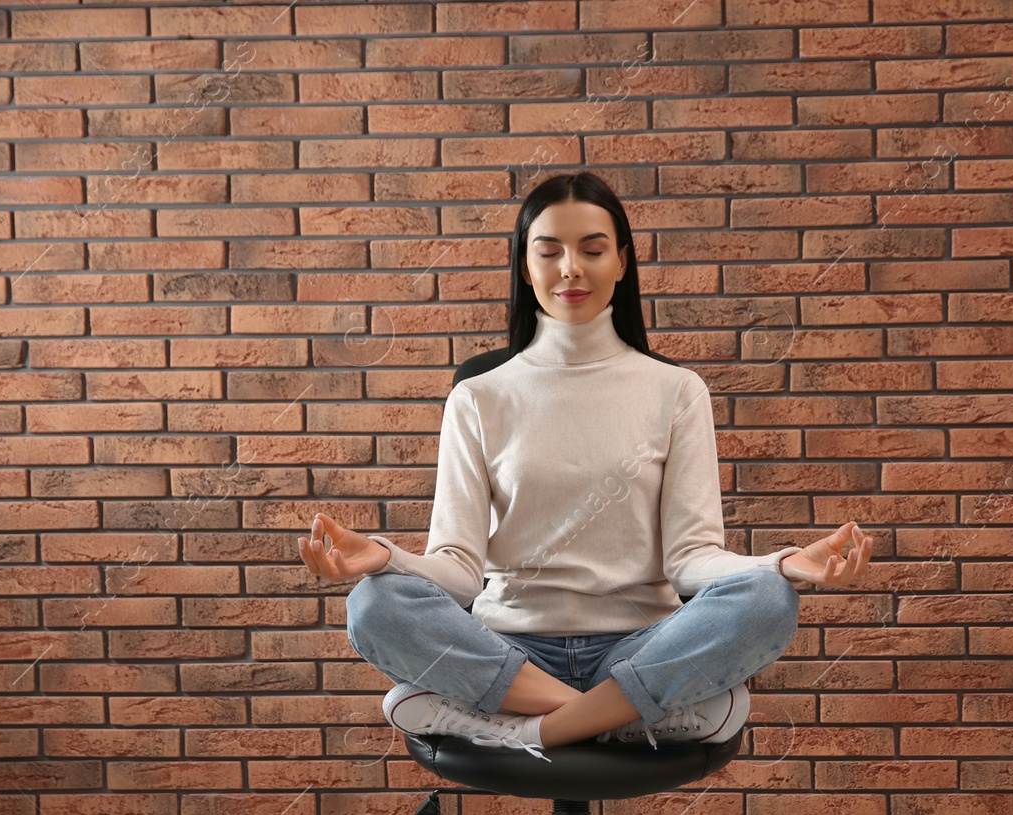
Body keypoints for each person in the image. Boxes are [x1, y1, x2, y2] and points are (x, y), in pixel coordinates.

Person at [298, 172, 871, 761]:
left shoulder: (676, 391)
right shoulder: (479, 396)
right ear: (526, 267)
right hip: (511, 649)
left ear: (622, 263)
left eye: (593, 250)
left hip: (638, 645)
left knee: (767, 600)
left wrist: (784, 564)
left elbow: (692, 560)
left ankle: (526, 728)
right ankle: (625, 713)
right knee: (374, 603)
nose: (571, 268)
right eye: (550, 251)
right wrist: (387, 557)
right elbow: (462, 570)